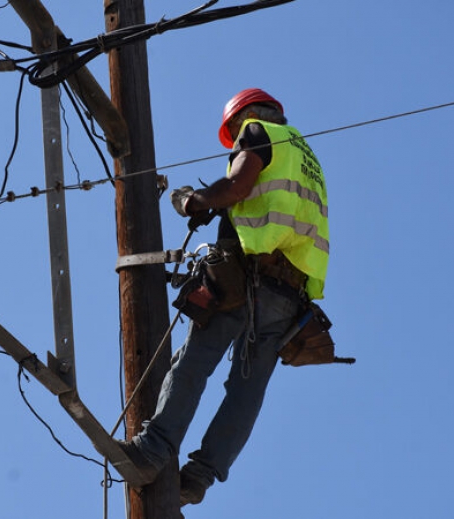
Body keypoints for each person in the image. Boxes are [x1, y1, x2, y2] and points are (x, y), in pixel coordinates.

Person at [117, 88, 331, 506]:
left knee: (193, 362)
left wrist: (192, 200)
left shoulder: (258, 131)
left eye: (233, 132)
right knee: (246, 390)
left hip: (247, 277)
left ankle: (150, 452)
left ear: (246, 115)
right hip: (290, 297)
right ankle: (197, 478)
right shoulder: (307, 156)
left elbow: (236, 187)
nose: (234, 140)